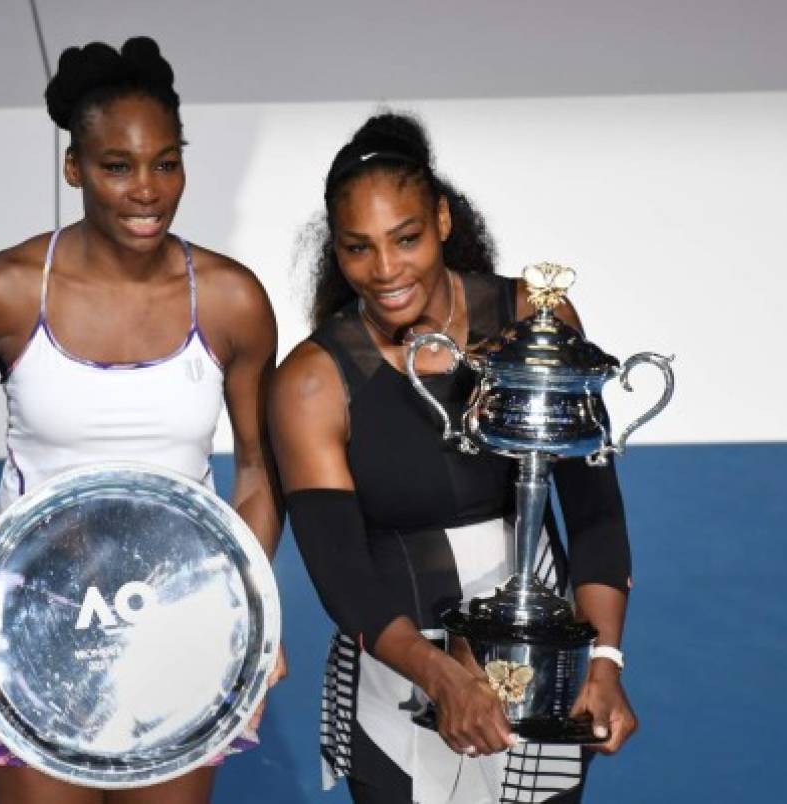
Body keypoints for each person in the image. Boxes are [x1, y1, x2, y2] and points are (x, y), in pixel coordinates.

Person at [0, 36, 284, 804]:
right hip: (35, 618)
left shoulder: (233, 300)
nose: (148, 190)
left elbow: (261, 475)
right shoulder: (7, 290)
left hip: (180, 627)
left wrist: (248, 605)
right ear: (74, 169)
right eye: (117, 165)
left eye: (166, 162)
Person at [269, 112, 636, 804]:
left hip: (538, 663)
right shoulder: (312, 381)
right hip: (396, 670)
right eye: (358, 249)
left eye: (404, 239)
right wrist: (439, 675)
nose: (384, 272)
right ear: (336, 252)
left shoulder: (534, 318)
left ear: (441, 219)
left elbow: (593, 508)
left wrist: (605, 661)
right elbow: (339, 568)